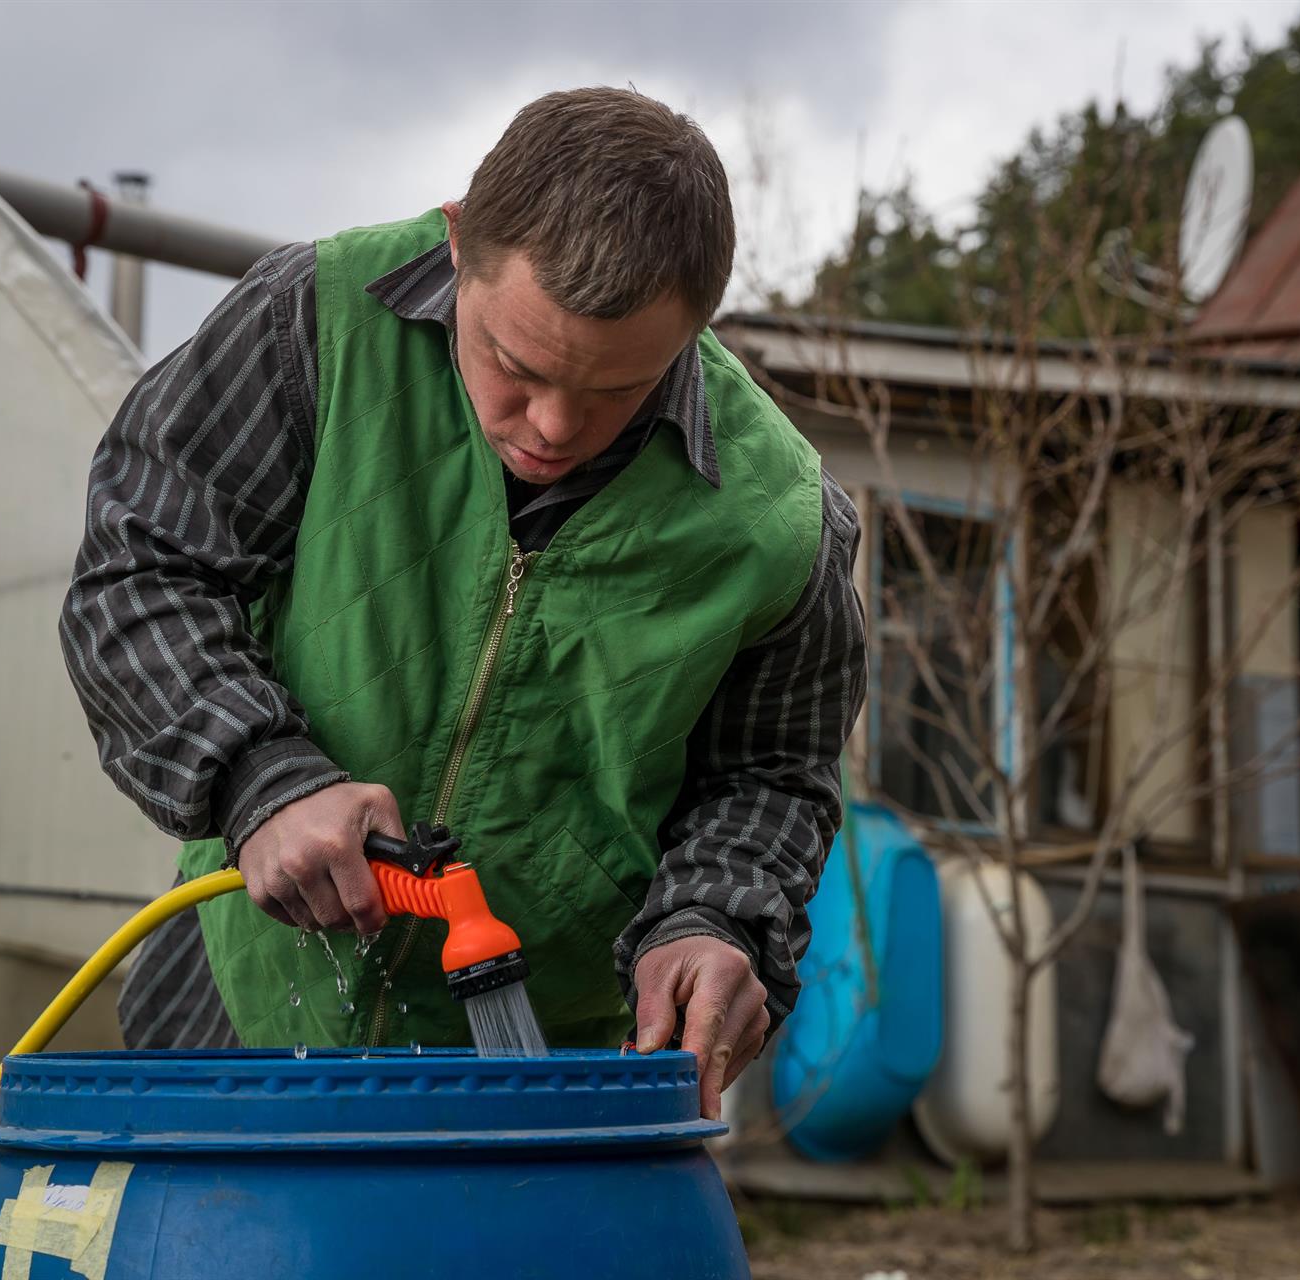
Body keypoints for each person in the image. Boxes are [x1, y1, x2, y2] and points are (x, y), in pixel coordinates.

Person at [61, 87, 865, 1118]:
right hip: (235, 1005)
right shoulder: (311, 322)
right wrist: (259, 773)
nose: (553, 426)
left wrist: (717, 918)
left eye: (619, 390)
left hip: (541, 1069)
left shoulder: (779, 518)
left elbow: (774, 775)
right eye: (515, 365)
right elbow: (142, 565)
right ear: (456, 242)